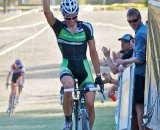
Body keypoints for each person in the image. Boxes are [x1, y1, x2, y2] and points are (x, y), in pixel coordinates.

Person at [42, 0, 104, 130]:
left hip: (83, 68)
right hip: (67, 65)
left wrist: (98, 76)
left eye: (74, 17)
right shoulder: (58, 27)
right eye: (67, 17)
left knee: (90, 104)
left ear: (77, 14)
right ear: (63, 16)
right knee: (68, 86)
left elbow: (93, 52)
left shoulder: (86, 27)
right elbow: (47, 12)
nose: (71, 20)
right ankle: (68, 121)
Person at [116, 8, 148, 130]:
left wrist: (123, 61)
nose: (132, 24)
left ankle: (141, 128)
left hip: (141, 74)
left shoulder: (140, 34)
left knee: (138, 105)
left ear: (140, 18)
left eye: (135, 21)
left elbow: (140, 59)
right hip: (146, 74)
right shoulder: (144, 30)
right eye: (130, 22)